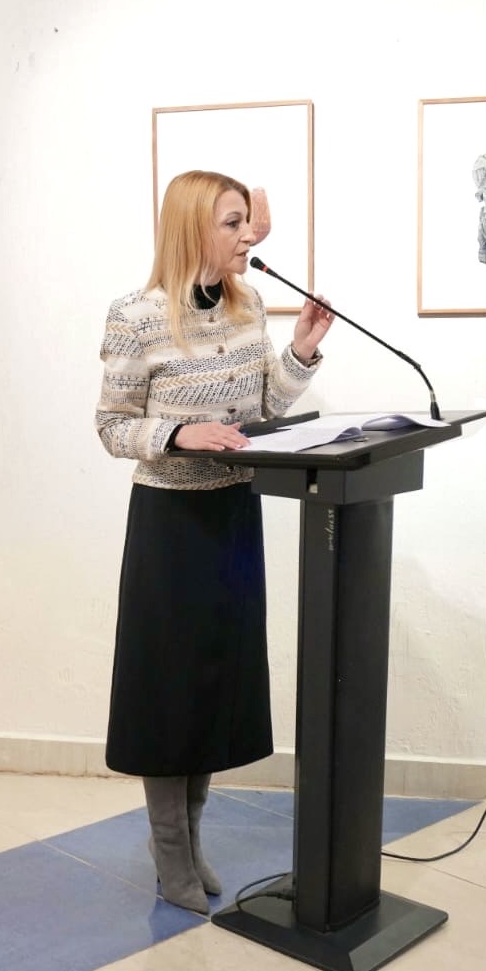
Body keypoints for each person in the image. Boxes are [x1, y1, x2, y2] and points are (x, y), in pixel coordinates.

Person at [95, 169, 334, 913]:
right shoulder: (136, 316)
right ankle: (169, 847)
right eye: (233, 223)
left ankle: (193, 838)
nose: (248, 236)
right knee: (167, 688)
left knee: (212, 683)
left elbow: (262, 407)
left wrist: (299, 353)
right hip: (169, 525)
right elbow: (112, 426)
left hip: (233, 513)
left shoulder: (248, 304)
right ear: (194, 227)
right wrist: (177, 434)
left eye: (246, 223)